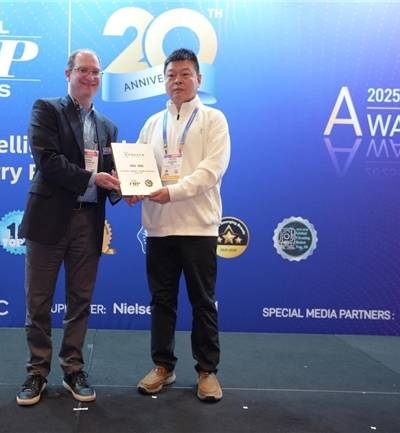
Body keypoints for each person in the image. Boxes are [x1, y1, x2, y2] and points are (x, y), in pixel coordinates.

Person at [16, 49, 120, 406]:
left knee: (80, 300)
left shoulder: (108, 127)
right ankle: (36, 371)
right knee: (38, 301)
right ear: (68, 73)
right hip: (50, 219)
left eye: (96, 72)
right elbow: (48, 161)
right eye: (83, 70)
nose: (90, 77)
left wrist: (126, 188)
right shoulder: (46, 110)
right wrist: (93, 178)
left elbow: (110, 175)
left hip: (88, 222)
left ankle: (73, 368)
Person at [126, 48, 230, 402]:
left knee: (203, 302)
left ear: (199, 79)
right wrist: (133, 188)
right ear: (163, 81)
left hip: (198, 228)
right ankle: (163, 366)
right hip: (158, 229)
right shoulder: (152, 124)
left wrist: (171, 192)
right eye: (171, 75)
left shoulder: (213, 120)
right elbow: (139, 168)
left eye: (185, 74)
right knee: (161, 302)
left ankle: (207, 371)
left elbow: (211, 171)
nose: (178, 81)